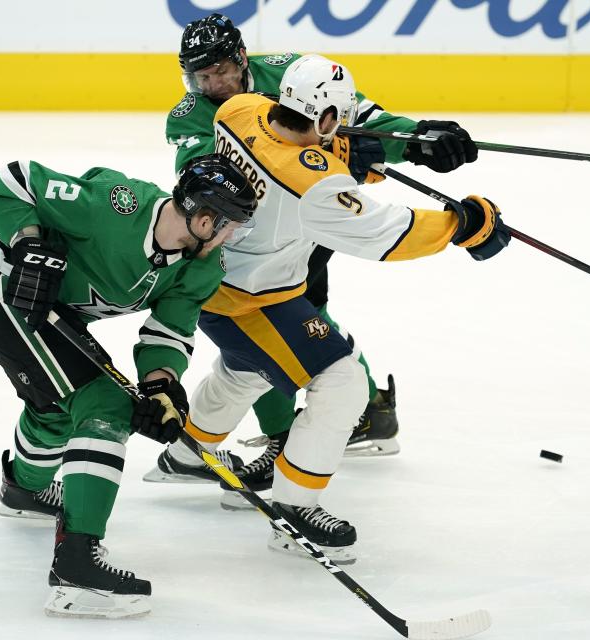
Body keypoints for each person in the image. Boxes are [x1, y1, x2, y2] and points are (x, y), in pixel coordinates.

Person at [155, 54, 510, 563]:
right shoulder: (313, 184)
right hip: (248, 300)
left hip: (220, 282)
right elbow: (389, 232)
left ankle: (190, 452)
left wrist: (372, 148)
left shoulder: (238, 111)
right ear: (324, 117)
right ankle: (294, 511)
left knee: (247, 368)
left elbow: (307, 148)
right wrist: (466, 224)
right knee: (343, 382)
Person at [0, 154, 258, 618]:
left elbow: (168, 331)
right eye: (230, 225)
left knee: (58, 410)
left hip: (57, 317)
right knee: (105, 405)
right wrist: (27, 243)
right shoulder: (116, 205)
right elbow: (8, 180)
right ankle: (76, 567)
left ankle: (23, 489)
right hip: (3, 293)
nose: (233, 236)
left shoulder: (202, 265)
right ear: (204, 218)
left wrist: (162, 387)